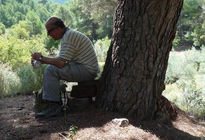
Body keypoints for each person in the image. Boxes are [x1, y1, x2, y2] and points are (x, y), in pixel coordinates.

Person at [31, 17, 99, 119]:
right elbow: (61, 60)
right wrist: (41, 60)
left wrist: (41, 58)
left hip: (87, 70)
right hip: (84, 68)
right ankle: (53, 105)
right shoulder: (68, 35)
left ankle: (53, 109)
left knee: (51, 70)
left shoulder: (69, 36)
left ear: (58, 28)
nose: (48, 35)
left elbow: (60, 63)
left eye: (49, 31)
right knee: (51, 68)